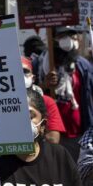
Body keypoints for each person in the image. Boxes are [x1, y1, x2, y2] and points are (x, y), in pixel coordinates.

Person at [0, 88, 82, 185]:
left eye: (29, 116)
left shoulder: (59, 156)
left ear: (42, 125)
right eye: (16, 115)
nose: (22, 121)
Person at [34, 26, 93, 161]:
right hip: (51, 134)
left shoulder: (83, 66)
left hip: (78, 133)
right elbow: (30, 93)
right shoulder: (41, 64)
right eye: (62, 36)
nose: (68, 41)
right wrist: (45, 85)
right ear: (53, 39)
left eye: (71, 36)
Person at [21, 56, 66, 143]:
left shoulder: (47, 101)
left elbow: (53, 139)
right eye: (16, 71)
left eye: (25, 71)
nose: (20, 75)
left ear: (33, 78)